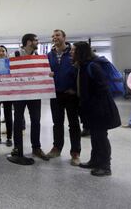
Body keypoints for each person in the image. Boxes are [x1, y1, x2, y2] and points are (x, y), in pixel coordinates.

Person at [72, 41, 121, 176]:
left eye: (73, 50)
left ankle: (105, 166)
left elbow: (103, 88)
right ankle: (94, 160)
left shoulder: (93, 66)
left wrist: (92, 103)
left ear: (80, 52)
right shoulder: (83, 65)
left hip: (100, 109)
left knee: (101, 137)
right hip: (92, 109)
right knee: (95, 136)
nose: (71, 52)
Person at [46, 30, 81, 166]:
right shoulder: (49, 55)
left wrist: (76, 89)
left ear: (64, 37)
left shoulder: (73, 53)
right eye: (53, 36)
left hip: (71, 95)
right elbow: (44, 72)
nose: (55, 37)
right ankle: (57, 148)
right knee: (57, 123)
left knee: (74, 124)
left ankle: (75, 153)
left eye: (57, 35)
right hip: (55, 94)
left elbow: (80, 72)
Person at [12, 34, 49, 161]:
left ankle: (36, 148)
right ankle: (17, 147)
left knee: (36, 120)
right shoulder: (15, 55)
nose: (37, 42)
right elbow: (7, 72)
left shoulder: (39, 57)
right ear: (29, 42)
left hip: (35, 94)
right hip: (18, 94)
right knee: (17, 121)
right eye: (36, 40)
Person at [0, 45, 13, 147]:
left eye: (2, 51)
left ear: (6, 52)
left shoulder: (10, 64)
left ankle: (9, 138)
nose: (1, 53)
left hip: (7, 92)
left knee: (8, 115)